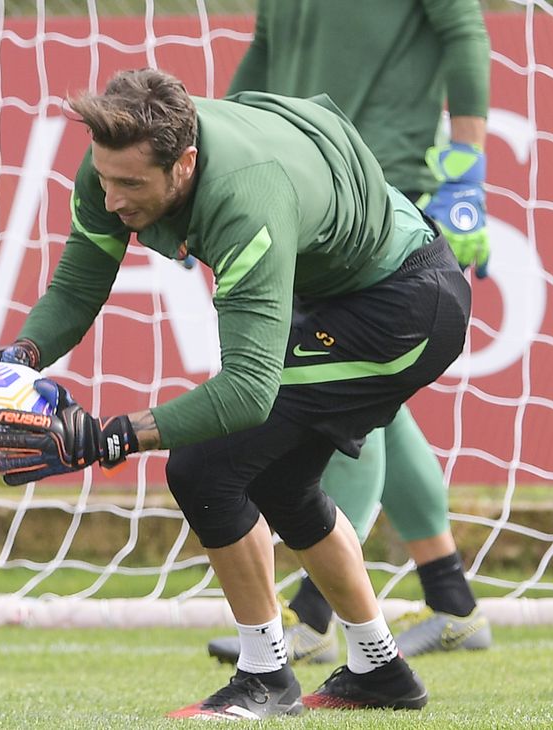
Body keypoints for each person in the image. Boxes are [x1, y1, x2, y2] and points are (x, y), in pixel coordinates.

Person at [0, 67, 471, 719]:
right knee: (278, 481)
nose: (112, 200)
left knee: (206, 468)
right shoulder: (114, 159)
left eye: (131, 185)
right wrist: (16, 359)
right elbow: (77, 286)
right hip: (345, 292)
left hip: (405, 308)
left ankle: (265, 677)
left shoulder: (246, 201)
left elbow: (246, 390)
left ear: (185, 164)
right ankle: (379, 671)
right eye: (105, 178)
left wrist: (107, 437)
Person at [201, 0, 494, 666]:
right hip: (303, 184)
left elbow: (465, 34)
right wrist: (212, 166)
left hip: (383, 185)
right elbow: (261, 59)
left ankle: (316, 609)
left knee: (339, 389)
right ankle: (451, 600)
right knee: (366, 395)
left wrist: (467, 168)